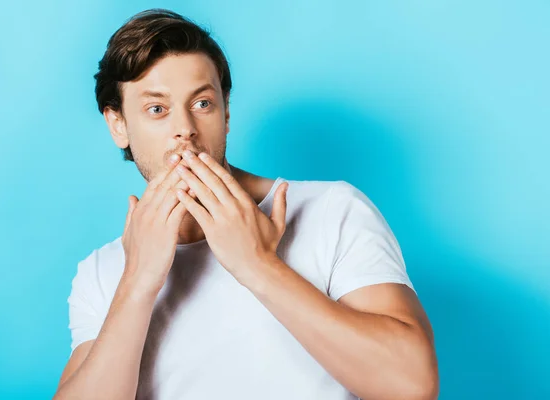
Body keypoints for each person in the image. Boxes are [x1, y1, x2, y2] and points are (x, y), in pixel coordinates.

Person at [53, 8, 438, 400]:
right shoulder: (103, 272)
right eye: (158, 109)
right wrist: (137, 283)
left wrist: (258, 264)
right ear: (118, 125)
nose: (185, 128)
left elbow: (412, 385)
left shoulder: (332, 210)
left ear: (226, 112)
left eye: (202, 103)